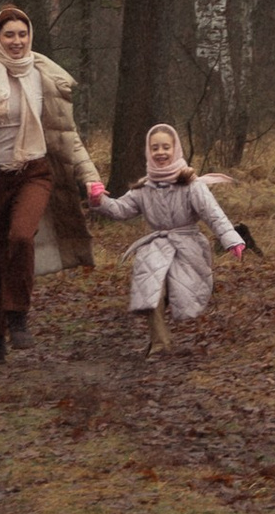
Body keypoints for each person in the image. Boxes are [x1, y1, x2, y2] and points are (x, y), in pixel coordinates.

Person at [0, 5, 106, 365]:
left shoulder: (45, 76)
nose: (16, 41)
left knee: (22, 237)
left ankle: (18, 314)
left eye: (22, 34)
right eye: (9, 34)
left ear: (31, 37)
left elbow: (67, 137)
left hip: (33, 172)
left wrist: (91, 178)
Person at [95, 125, 248, 352]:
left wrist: (231, 239)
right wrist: (99, 200)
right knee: (151, 290)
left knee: (181, 291)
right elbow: (120, 210)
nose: (161, 152)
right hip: (156, 247)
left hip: (188, 246)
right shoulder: (143, 188)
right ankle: (160, 343)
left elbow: (212, 213)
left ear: (175, 149)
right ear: (149, 152)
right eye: (155, 147)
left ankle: (166, 334)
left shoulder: (191, 184)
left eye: (166, 147)